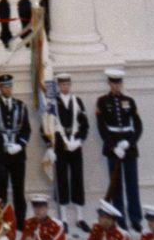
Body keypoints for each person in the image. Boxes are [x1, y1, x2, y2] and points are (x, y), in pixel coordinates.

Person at [96, 67, 143, 226]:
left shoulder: (129, 101)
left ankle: (135, 218)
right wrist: (113, 146)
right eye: (113, 83)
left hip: (129, 147)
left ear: (121, 84)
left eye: (119, 83)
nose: (116, 86)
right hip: (113, 149)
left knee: (132, 184)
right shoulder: (102, 101)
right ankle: (119, 217)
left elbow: (138, 126)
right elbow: (102, 128)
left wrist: (129, 142)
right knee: (116, 186)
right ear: (109, 83)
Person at [45, 73, 90, 224]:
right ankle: (63, 218)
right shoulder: (52, 103)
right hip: (59, 146)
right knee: (62, 179)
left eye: (67, 84)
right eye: (62, 85)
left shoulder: (77, 101)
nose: (65, 87)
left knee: (78, 178)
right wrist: (49, 146)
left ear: (70, 85)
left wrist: (79, 141)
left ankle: (80, 217)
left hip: (75, 145)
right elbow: (45, 126)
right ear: (58, 86)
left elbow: (84, 124)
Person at [0, 71, 31, 221]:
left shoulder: (20, 105)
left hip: (18, 156)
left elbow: (26, 129)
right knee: (1, 191)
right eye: (4, 87)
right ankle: (3, 221)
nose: (8, 89)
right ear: (0, 88)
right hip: (1, 155)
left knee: (18, 190)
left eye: (10, 86)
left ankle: (20, 222)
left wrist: (20, 145)